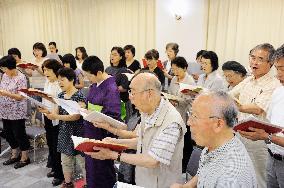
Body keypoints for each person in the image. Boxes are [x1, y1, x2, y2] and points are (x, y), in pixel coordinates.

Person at [85, 72, 187, 188]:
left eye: (133, 92)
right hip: (144, 179)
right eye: (130, 92)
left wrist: (114, 155)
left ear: (149, 94)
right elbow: (141, 141)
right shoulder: (147, 111)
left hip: (161, 183)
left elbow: (153, 160)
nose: (130, 97)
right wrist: (113, 142)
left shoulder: (172, 121)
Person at [171, 91, 257, 188]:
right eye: (190, 114)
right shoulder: (214, 145)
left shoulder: (230, 179)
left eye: (195, 116)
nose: (189, 122)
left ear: (218, 124)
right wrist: (187, 186)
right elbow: (205, 171)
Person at [229, 43, 281, 187]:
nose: (254, 62)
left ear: (270, 63)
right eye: (252, 57)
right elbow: (229, 95)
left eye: (260, 59)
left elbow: (258, 108)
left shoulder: (274, 84)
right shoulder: (248, 80)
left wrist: (237, 105)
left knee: (260, 178)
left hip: (259, 139)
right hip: (240, 134)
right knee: (244, 175)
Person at [82, 56, 121, 188]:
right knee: (91, 166)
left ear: (98, 73)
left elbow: (113, 115)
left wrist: (93, 114)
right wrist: (83, 107)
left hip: (101, 133)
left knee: (101, 167)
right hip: (91, 130)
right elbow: (90, 102)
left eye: (89, 76)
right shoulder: (95, 84)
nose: (88, 80)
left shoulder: (111, 87)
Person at [44, 67, 86, 188]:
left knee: (83, 162)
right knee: (65, 161)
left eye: (62, 80)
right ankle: (68, 183)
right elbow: (55, 112)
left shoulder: (79, 96)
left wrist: (56, 116)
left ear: (72, 80)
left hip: (78, 134)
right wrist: (48, 112)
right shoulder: (61, 95)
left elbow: (76, 116)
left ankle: (87, 184)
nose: (60, 83)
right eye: (58, 80)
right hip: (64, 133)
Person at [0, 55, 31, 169]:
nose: (2, 70)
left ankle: (25, 157)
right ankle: (14, 154)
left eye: (3, 68)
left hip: (17, 111)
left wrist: (7, 94)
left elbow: (21, 97)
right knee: (8, 133)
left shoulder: (21, 77)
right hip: (5, 110)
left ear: (10, 67)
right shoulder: (4, 76)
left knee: (19, 134)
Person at [39, 59, 64, 186]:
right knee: (50, 145)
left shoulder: (60, 84)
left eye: (48, 70)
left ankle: (61, 175)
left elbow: (61, 103)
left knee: (57, 147)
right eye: (44, 69)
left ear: (55, 70)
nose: (45, 72)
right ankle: (55, 169)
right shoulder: (47, 82)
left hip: (57, 119)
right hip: (47, 116)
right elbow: (46, 100)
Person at [168, 56, 195, 173]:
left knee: (186, 141)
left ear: (184, 68)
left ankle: (185, 166)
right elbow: (170, 93)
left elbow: (190, 100)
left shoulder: (190, 81)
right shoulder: (174, 79)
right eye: (173, 69)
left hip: (187, 114)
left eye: (177, 69)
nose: (175, 72)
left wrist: (177, 100)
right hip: (175, 112)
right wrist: (170, 99)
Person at [105, 46, 132, 121]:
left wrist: (109, 88)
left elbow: (124, 88)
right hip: (110, 101)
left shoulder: (125, 70)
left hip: (122, 102)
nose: (112, 56)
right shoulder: (107, 69)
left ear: (121, 57)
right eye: (111, 54)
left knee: (122, 124)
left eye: (115, 54)